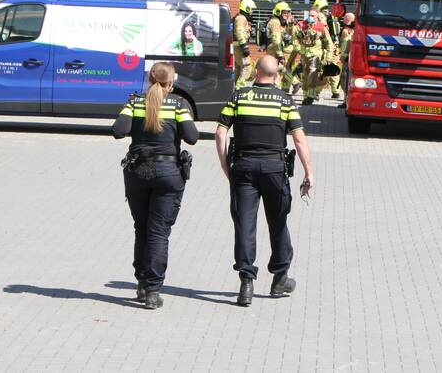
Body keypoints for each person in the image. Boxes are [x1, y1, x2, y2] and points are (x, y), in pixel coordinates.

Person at [214, 55, 314, 306]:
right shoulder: (285, 100)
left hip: (243, 167)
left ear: (256, 71)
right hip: (274, 169)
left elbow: (220, 131)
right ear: (277, 74)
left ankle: (246, 283)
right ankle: (280, 278)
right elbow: (299, 139)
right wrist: (308, 172)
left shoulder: (239, 96)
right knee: (278, 222)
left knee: (245, 225)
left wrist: (225, 164)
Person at [112, 62, 198, 310]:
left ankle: (141, 282)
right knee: (159, 231)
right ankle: (152, 290)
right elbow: (192, 137)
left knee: (142, 227)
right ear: (170, 83)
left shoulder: (135, 102)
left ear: (150, 80)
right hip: (168, 173)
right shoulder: (179, 105)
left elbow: (118, 130)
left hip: (138, 171)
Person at [297, 6, 334, 105]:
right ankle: (305, 96)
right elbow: (295, 37)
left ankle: (311, 96)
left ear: (317, 17)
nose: (310, 17)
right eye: (309, 15)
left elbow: (329, 43)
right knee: (304, 75)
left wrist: (329, 57)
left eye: (313, 16)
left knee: (313, 73)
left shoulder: (321, 27)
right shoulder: (302, 25)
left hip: (316, 55)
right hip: (305, 55)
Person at [312, 0, 343, 100]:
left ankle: (316, 92)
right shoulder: (331, 15)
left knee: (324, 70)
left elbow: (321, 30)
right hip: (334, 45)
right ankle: (336, 91)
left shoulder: (321, 16)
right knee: (332, 68)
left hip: (327, 47)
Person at [234, 0, 255, 88]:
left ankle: (236, 90)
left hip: (237, 45)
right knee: (247, 66)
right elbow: (239, 31)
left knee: (239, 68)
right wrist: (244, 46)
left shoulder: (241, 18)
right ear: (247, 8)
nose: (252, 12)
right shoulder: (241, 18)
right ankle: (240, 87)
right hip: (239, 46)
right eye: (251, 10)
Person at [336, 12, 355, 108]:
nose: (344, 20)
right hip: (348, 59)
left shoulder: (347, 32)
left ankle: (346, 101)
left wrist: (342, 59)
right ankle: (345, 100)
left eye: (346, 19)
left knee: (345, 80)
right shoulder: (346, 31)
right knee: (344, 80)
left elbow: (344, 47)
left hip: (348, 60)